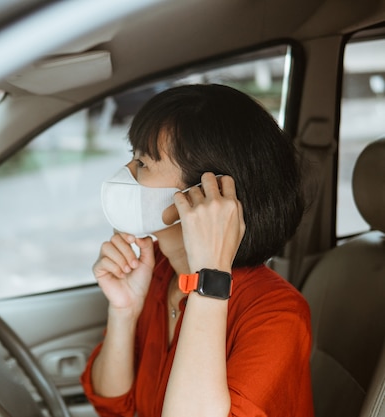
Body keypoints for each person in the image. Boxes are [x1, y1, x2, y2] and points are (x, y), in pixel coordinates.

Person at [80, 84, 314, 417]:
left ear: (208, 194)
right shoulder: (158, 271)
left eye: (143, 164)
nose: (124, 175)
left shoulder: (277, 313)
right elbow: (114, 404)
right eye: (132, 158)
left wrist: (211, 279)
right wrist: (124, 312)